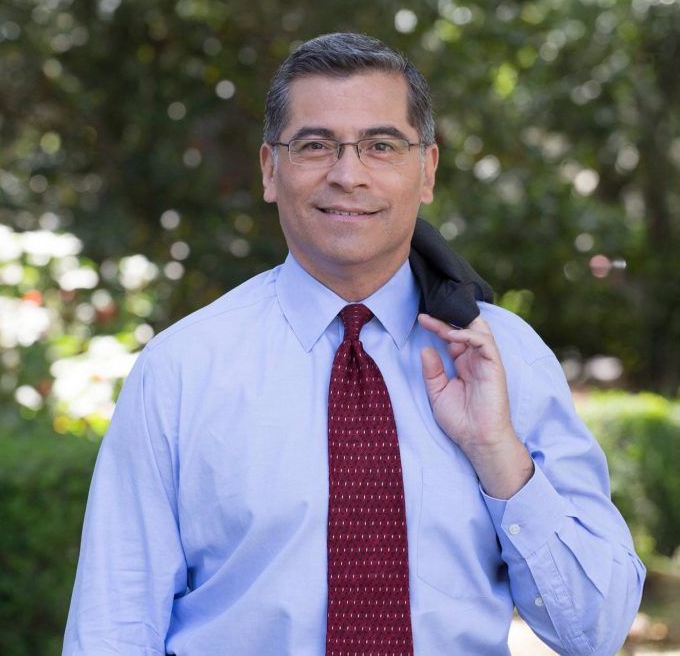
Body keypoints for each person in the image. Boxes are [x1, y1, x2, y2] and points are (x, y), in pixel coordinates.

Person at [62, 32, 644, 655]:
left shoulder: (507, 358)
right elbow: (113, 626)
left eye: (381, 145)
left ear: (427, 171)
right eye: (315, 145)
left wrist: (498, 453)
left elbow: (595, 631)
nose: (347, 174)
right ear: (269, 169)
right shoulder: (180, 370)